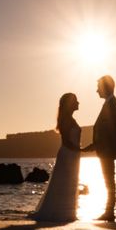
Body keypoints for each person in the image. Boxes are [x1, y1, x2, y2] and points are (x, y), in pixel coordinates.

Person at [30, 93, 82, 222]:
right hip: (68, 154)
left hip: (73, 154)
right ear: (70, 104)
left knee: (69, 182)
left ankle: (67, 212)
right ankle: (61, 213)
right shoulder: (66, 120)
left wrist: (79, 151)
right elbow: (66, 142)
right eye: (75, 101)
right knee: (64, 182)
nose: (78, 103)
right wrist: (82, 150)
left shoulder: (70, 119)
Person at [82, 75, 116, 221]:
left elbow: (108, 131)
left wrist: (94, 146)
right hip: (105, 149)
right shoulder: (109, 104)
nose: (96, 90)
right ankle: (108, 211)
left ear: (106, 87)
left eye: (98, 87)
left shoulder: (112, 105)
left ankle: (109, 212)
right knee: (108, 179)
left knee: (108, 180)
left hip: (107, 150)